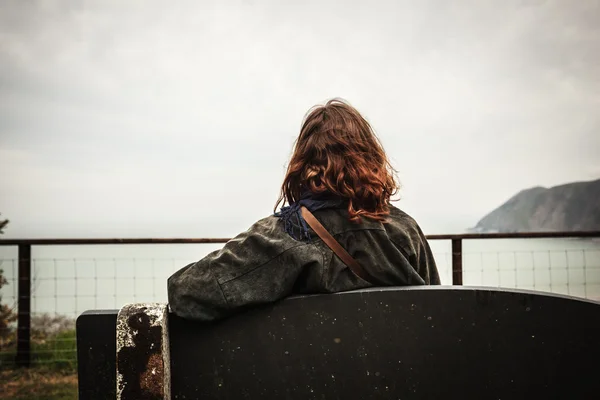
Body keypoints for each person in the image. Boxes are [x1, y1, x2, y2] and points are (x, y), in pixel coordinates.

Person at [168, 99, 440, 321]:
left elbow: (186, 293)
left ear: (303, 162)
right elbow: (437, 313)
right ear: (370, 158)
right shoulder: (404, 230)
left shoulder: (284, 236)